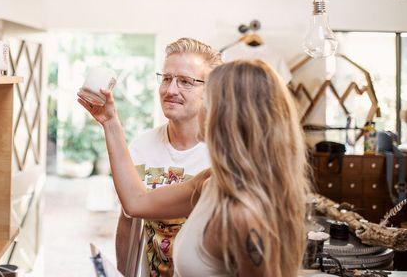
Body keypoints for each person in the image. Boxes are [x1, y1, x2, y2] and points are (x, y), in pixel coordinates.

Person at [78, 60, 310, 277]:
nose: (201, 108)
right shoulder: (210, 182)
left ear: (228, 115)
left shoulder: (242, 214)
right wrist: (110, 122)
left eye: (207, 100)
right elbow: (136, 202)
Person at [115, 38, 222, 276]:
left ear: (211, 91)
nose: (170, 90)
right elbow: (128, 218)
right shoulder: (141, 148)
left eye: (185, 81)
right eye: (166, 78)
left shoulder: (223, 158)